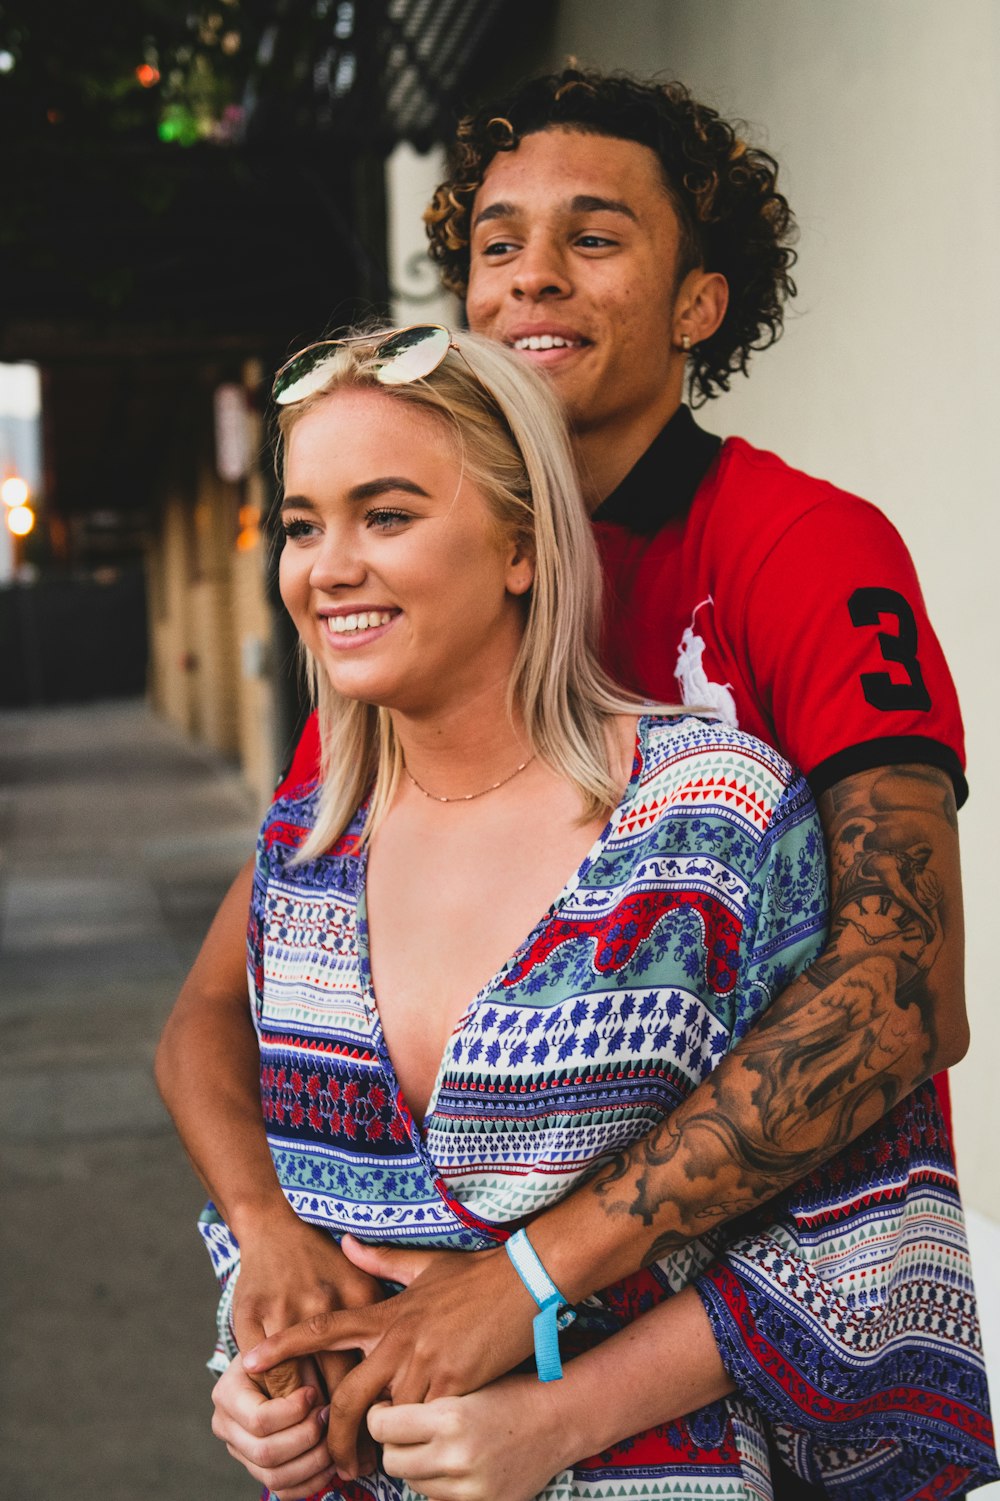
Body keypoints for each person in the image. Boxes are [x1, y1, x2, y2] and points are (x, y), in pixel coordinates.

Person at [154, 68, 986, 1495]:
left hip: (742, 1329)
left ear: (700, 301)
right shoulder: (406, 631)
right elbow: (238, 999)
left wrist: (526, 1284)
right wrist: (270, 1254)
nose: (531, 273)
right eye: (495, 242)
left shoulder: (803, 551)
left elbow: (903, 989)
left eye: (594, 238)